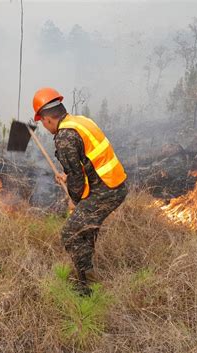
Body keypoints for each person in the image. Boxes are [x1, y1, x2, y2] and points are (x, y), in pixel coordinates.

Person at [32, 87, 128, 294]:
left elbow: (76, 180)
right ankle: (85, 276)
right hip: (112, 182)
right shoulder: (81, 121)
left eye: (43, 123)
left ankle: (90, 289)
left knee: (70, 233)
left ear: (48, 119)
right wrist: (68, 177)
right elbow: (86, 163)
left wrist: (74, 200)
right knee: (85, 229)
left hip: (107, 189)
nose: (45, 127)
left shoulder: (64, 136)